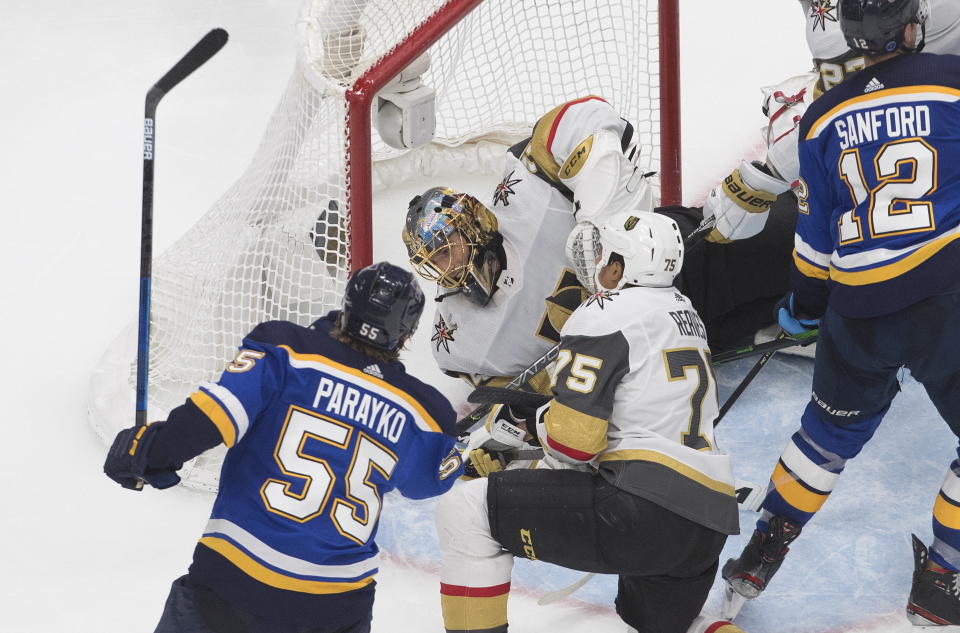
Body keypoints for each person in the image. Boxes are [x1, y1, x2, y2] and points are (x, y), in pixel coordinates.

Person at [722, 0, 960, 625]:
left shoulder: (821, 116)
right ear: (911, 27)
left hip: (857, 313)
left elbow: (816, 241)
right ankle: (944, 575)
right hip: (944, 305)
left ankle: (762, 549)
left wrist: (803, 309)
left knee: (824, 437)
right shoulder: (953, 82)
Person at [103, 261, 463, 633]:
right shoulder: (425, 413)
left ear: (347, 305)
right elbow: (427, 484)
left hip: (234, 583)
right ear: (406, 334)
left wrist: (149, 453)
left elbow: (213, 418)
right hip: (336, 608)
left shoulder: (286, 350)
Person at [434, 211, 745, 633]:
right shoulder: (687, 315)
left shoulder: (603, 313)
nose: (597, 265)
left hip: (642, 507)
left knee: (465, 510)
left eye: (605, 257)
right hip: (709, 522)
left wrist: (537, 422)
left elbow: (574, 445)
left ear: (619, 267)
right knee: (665, 625)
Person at [401, 96, 795, 387]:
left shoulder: (523, 193)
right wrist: (518, 413)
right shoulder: (456, 340)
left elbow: (585, 115)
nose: (446, 264)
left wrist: (597, 222)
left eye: (448, 243)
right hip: (665, 344)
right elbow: (507, 397)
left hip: (689, 262)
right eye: (433, 259)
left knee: (812, 244)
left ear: (475, 223)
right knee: (790, 317)